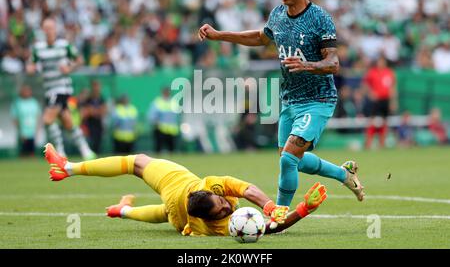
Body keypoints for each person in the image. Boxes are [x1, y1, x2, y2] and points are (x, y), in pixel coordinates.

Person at [198, 0, 365, 227]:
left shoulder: (320, 18)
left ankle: (278, 217)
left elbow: (333, 63)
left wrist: (306, 65)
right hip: (290, 99)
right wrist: (220, 36)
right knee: (293, 162)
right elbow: (260, 38)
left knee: (288, 159)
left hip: (318, 100)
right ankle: (343, 174)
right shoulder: (277, 14)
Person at [43, 143, 328, 236]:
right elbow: (271, 227)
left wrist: (270, 206)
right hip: (178, 217)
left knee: (137, 162)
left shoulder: (212, 200)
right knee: (164, 215)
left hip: (176, 186)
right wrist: (303, 209)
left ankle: (68, 168)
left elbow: (251, 193)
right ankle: (123, 210)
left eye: (223, 205)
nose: (229, 206)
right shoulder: (218, 216)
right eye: (223, 207)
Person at [26, 17, 96, 159]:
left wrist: (69, 68)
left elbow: (80, 60)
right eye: (46, 28)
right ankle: (85, 149)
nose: (49, 31)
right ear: (43, 30)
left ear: (55, 29)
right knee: (67, 121)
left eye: (51, 28)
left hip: (61, 88)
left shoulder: (64, 45)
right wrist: (31, 69)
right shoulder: (38, 48)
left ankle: (60, 152)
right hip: (49, 89)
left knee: (47, 119)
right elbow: (30, 65)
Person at [363, 56, 397, 149]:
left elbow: (392, 88)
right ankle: (368, 143)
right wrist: (370, 93)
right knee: (372, 121)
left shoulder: (389, 73)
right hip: (376, 100)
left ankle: (382, 143)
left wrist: (393, 101)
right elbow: (365, 85)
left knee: (385, 122)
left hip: (386, 100)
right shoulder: (372, 72)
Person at [10, 85, 41, 156]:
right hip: (23, 132)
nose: (27, 92)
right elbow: (14, 118)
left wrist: (37, 130)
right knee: (23, 152)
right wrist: (20, 131)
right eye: (25, 91)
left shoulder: (34, 102)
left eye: (28, 91)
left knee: (32, 152)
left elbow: (38, 116)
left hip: (32, 132)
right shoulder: (17, 103)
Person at [147, 87, 180, 153]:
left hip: (172, 131)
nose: (167, 93)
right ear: (162, 92)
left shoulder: (174, 102)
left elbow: (177, 116)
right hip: (160, 130)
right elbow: (152, 116)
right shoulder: (157, 102)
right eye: (166, 91)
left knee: (172, 151)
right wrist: (156, 123)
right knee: (158, 150)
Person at [80, 80, 107, 154]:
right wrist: (95, 111)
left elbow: (103, 111)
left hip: (98, 124)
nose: (97, 88)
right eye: (95, 86)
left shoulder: (102, 99)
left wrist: (93, 111)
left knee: (98, 144)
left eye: (98, 86)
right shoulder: (88, 99)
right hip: (89, 125)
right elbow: (85, 112)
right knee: (90, 144)